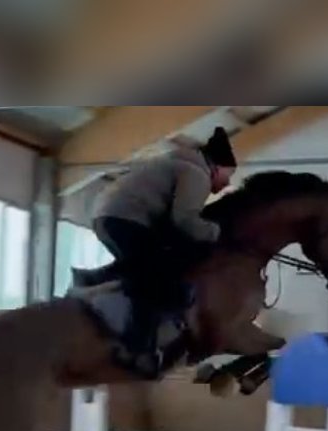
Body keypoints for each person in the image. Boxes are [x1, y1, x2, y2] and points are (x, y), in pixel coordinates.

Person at [91, 126, 237, 377]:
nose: (227, 183)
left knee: (148, 270)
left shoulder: (176, 165)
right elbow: (184, 221)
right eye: (228, 174)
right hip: (125, 218)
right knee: (158, 279)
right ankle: (137, 351)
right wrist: (219, 233)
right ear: (216, 167)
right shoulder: (197, 174)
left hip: (109, 216)